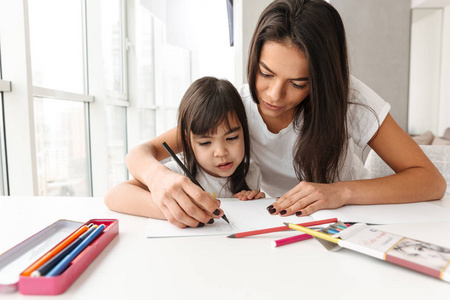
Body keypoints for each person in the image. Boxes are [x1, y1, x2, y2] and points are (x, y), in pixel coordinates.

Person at [105, 0, 446, 228]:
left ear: (323, 79)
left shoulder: (348, 99)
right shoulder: (235, 108)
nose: (273, 95)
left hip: (345, 225)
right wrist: (161, 181)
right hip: (275, 227)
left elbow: (430, 181)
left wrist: (341, 192)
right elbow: (141, 154)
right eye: (265, 74)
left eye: (298, 83)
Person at [105, 77, 265, 227]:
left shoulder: (251, 170)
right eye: (205, 142)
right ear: (188, 142)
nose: (221, 152)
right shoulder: (177, 173)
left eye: (232, 138)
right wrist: (176, 209)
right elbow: (114, 196)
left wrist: (254, 202)